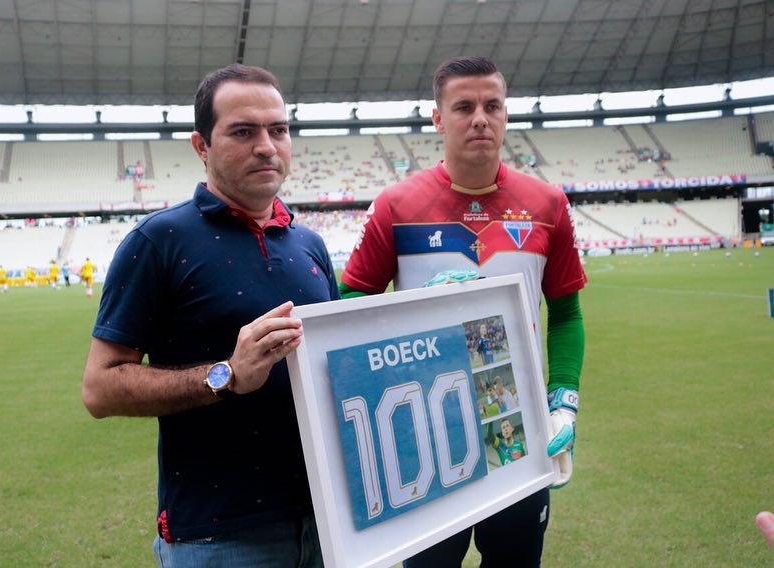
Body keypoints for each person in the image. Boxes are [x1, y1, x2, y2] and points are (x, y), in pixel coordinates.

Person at [81, 63, 338, 568]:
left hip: (330, 522)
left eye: (278, 130)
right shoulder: (158, 241)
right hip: (220, 535)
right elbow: (99, 388)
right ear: (201, 146)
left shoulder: (310, 244)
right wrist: (226, 376)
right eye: (243, 132)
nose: (266, 146)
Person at [339, 56, 586, 567]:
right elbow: (349, 305)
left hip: (517, 431)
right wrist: (416, 310)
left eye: (492, 105)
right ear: (437, 117)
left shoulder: (547, 203)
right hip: (427, 437)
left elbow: (565, 315)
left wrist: (563, 402)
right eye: (464, 106)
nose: (480, 118)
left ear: (506, 115)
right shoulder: (395, 205)